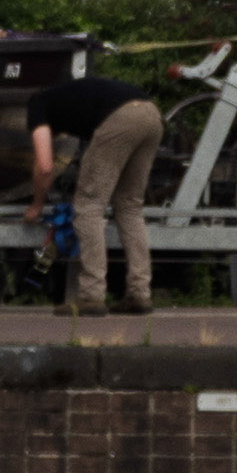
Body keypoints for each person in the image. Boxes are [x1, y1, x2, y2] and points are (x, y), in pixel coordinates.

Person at [23, 74, 164, 316]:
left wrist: (36, 205)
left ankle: (91, 296)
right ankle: (140, 294)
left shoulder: (37, 105)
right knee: (130, 207)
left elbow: (44, 165)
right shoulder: (72, 100)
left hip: (121, 119)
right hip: (151, 115)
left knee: (89, 206)